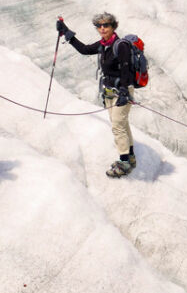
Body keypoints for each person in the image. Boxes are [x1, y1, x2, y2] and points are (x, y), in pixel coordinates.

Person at [56, 13, 137, 177]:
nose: (102, 28)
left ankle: (124, 163)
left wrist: (123, 92)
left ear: (113, 27)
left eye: (106, 25)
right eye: (99, 26)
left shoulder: (120, 45)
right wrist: (66, 32)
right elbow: (85, 50)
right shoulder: (103, 44)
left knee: (117, 126)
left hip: (122, 91)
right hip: (109, 92)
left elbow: (126, 68)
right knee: (121, 124)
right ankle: (130, 157)